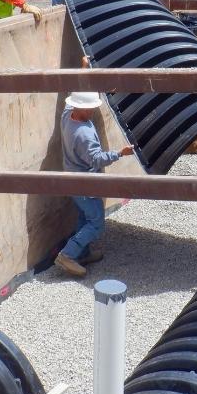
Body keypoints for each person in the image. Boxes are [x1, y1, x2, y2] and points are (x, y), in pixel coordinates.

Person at [54, 90, 135, 277]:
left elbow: (74, 94)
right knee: (96, 222)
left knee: (84, 218)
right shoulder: (83, 135)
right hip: (85, 185)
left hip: (72, 181)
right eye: (91, 107)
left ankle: (82, 255)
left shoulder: (68, 114)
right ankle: (67, 255)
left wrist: (86, 75)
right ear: (81, 108)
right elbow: (97, 159)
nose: (93, 110)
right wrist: (120, 153)